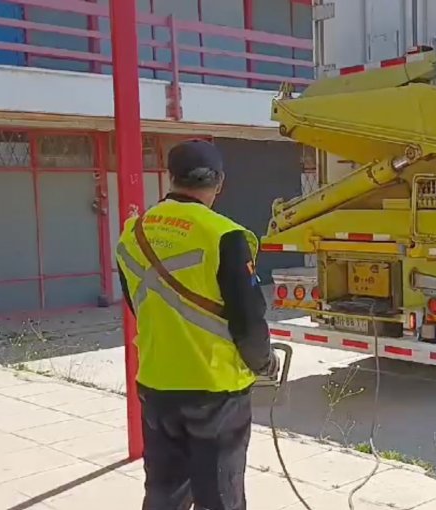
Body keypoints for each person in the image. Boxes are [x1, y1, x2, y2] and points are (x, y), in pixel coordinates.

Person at [115, 139, 278, 510]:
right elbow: (248, 320)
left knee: (163, 492)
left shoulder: (133, 232)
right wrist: (263, 362)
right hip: (215, 391)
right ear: (218, 183)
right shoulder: (225, 235)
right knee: (220, 496)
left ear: (171, 178)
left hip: (156, 384)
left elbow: (137, 304)